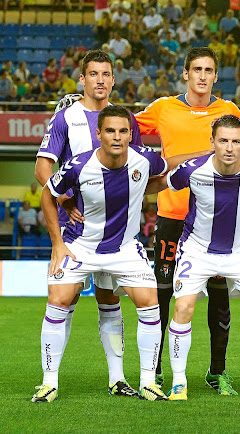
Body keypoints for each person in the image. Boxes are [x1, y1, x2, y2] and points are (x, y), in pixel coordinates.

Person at [134, 47, 240, 392]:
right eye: (197, 69)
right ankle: (154, 371)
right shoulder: (163, 108)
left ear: (216, 76)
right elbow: (125, 129)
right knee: (162, 294)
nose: (202, 76)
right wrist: (154, 160)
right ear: (185, 74)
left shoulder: (228, 111)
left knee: (218, 297)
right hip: (173, 214)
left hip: (217, 218)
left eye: (209, 70)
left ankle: (217, 372)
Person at [32, 105, 170, 403]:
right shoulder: (79, 166)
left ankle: (147, 382)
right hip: (80, 246)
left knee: (149, 303)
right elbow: (48, 194)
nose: (117, 137)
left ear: (131, 135)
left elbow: (162, 176)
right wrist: (58, 243)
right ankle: (49, 383)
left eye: (123, 131)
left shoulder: (145, 159)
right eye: (110, 131)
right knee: (58, 301)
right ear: (99, 134)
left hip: (123, 248)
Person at [35, 50, 147, 399]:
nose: (100, 80)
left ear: (113, 79)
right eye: (93, 74)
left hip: (116, 232)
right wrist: (65, 200)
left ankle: (117, 378)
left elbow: (139, 166)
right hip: (78, 230)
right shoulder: (66, 117)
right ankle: (49, 381)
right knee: (62, 299)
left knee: (108, 300)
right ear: (82, 79)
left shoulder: (125, 119)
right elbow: (43, 166)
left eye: (106, 74)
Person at [144, 115, 240, 401]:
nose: (229, 148)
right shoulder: (191, 172)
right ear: (212, 142)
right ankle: (179, 383)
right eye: (223, 141)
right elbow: (159, 185)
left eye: (236, 141)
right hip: (197, 249)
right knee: (184, 308)